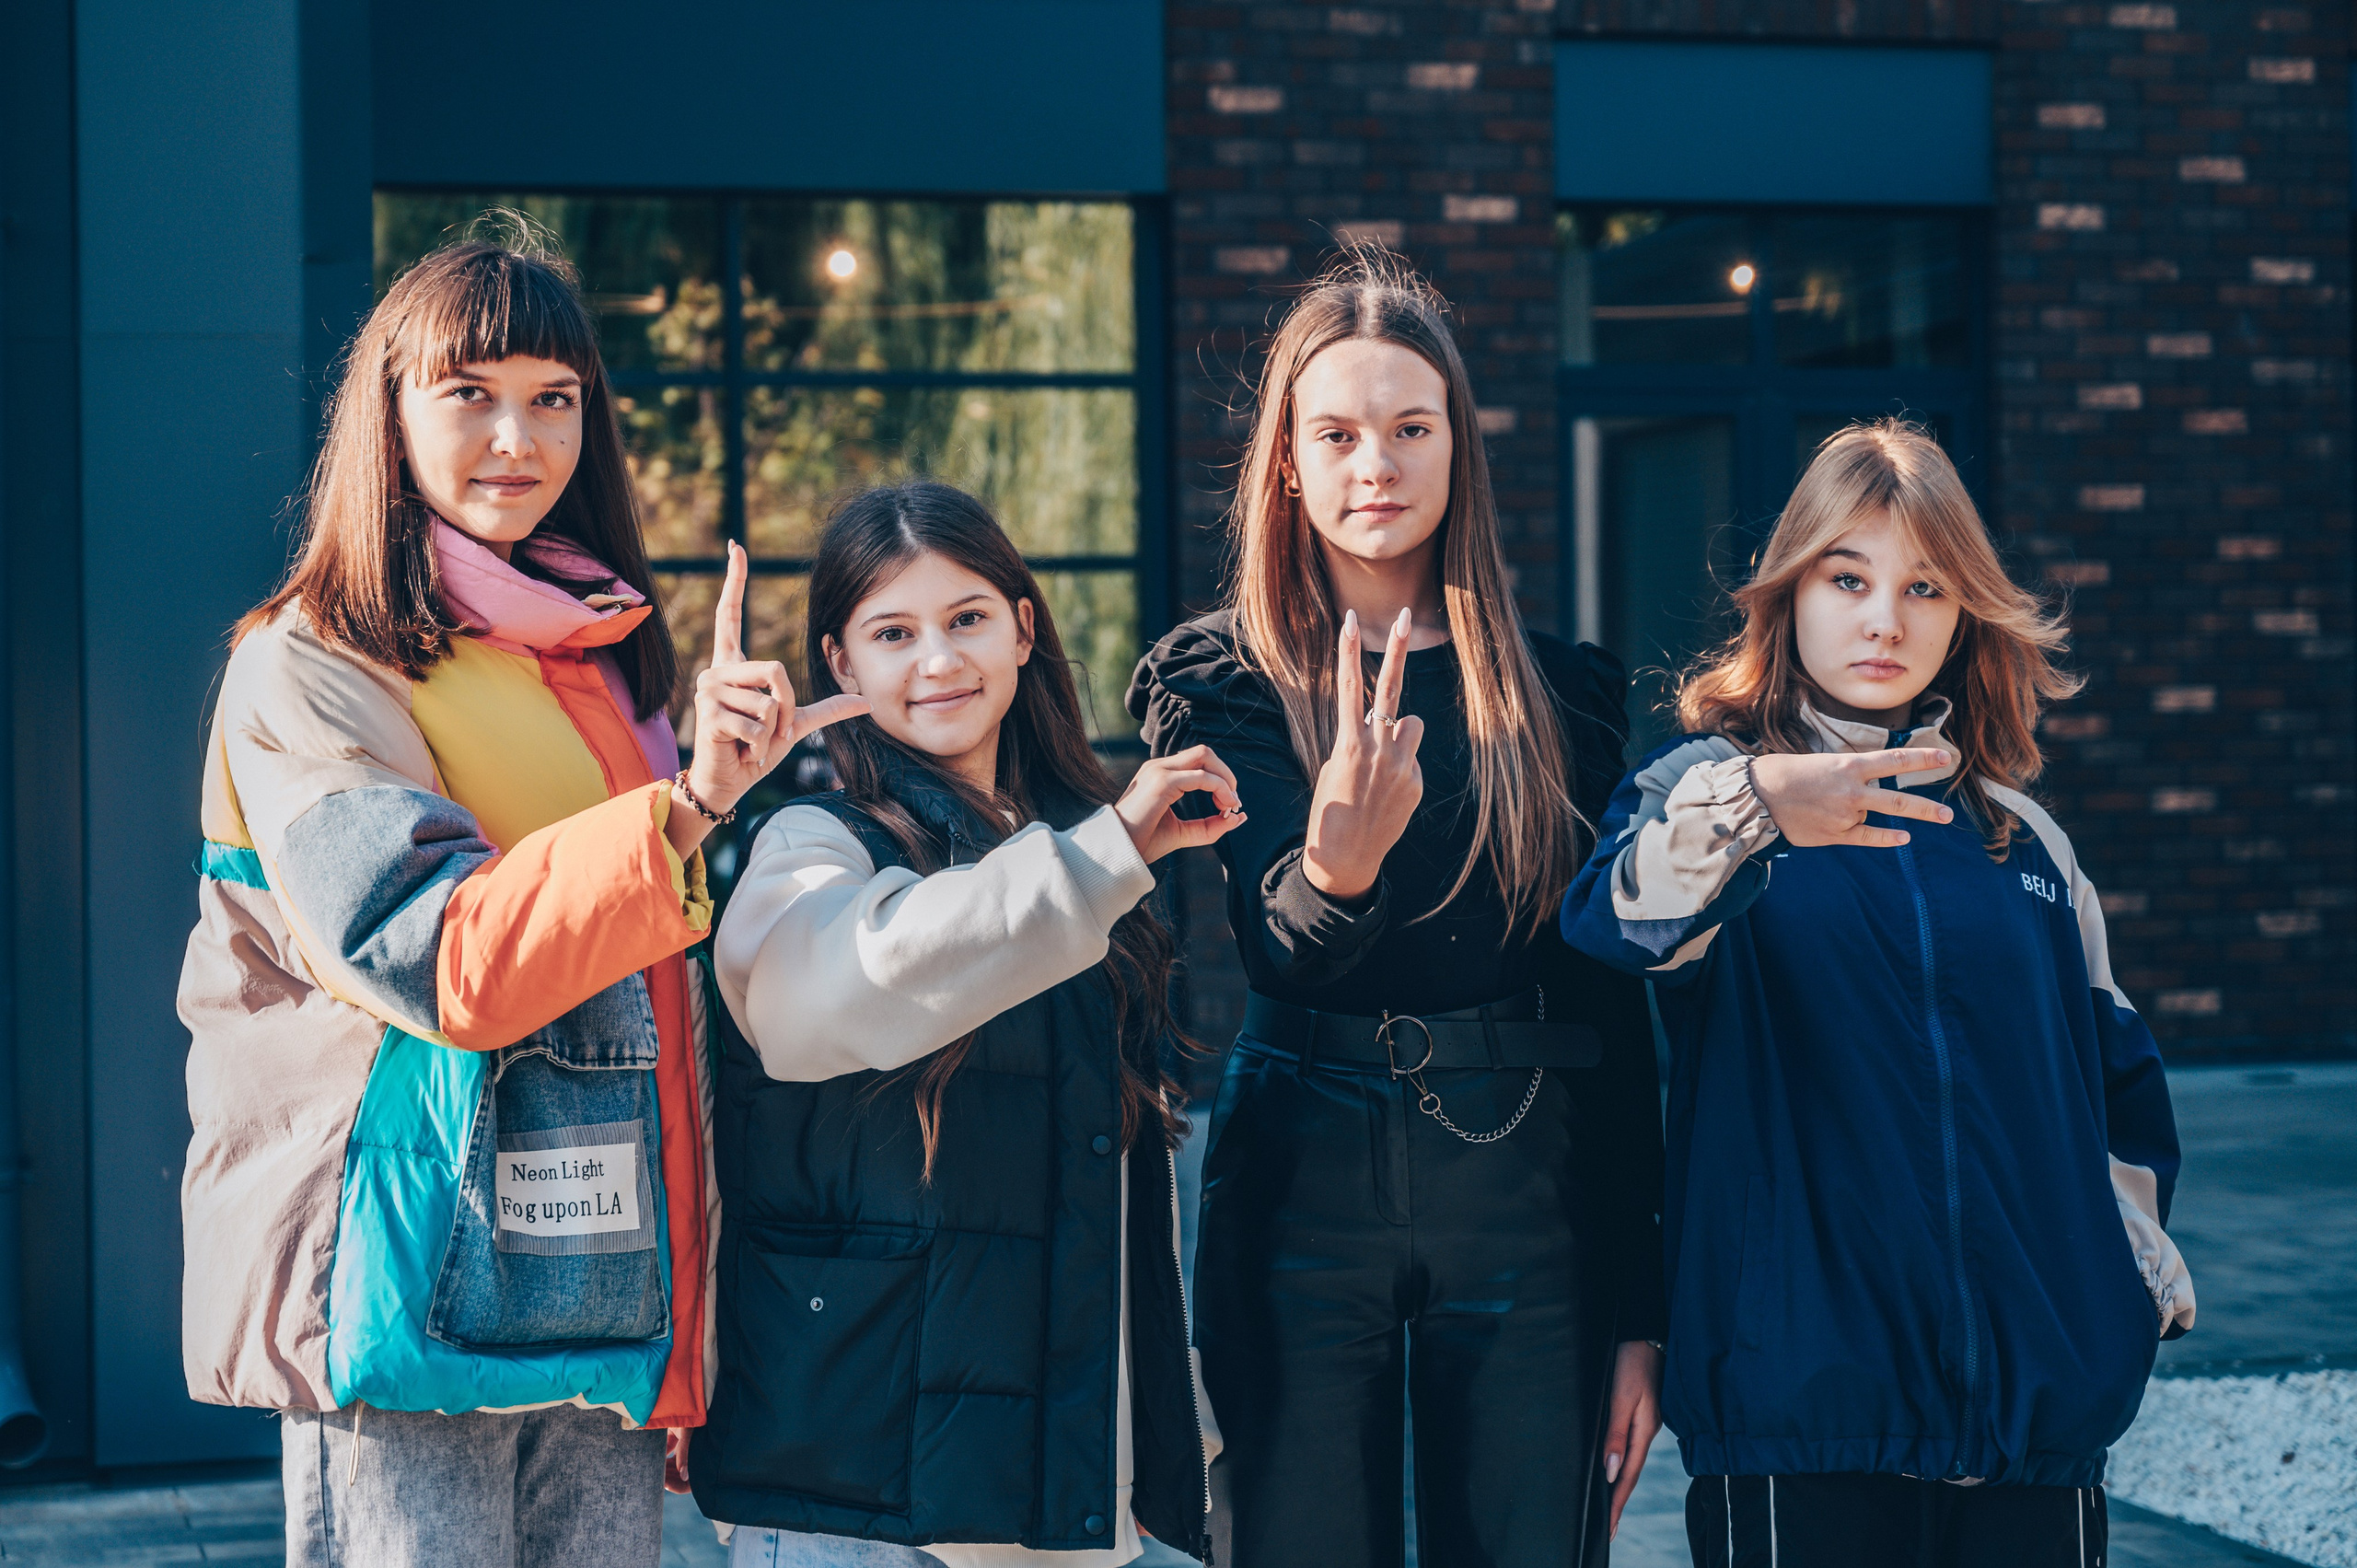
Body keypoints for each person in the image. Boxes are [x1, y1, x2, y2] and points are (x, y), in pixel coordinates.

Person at [178, 237, 865, 1567]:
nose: (520, 436)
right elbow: (437, 954)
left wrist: (692, 1317)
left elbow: (658, 1003)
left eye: (555, 396)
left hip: (601, 1274)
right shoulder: (311, 664)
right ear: (390, 413)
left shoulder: (597, 654)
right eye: (471, 393)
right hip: (404, 1273)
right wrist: (686, 808)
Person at [1562, 420, 2197, 1568]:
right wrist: (1762, 805)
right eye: (1846, 578)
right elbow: (1616, 919)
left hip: (2029, 1440)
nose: (1884, 621)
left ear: (1964, 616)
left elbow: (2114, 1088)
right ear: (1788, 594)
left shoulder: (2023, 840)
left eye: (1925, 587)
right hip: (1797, 1422)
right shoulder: (1707, 787)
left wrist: (2115, 1289)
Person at [1125, 247, 1667, 1567]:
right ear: (1287, 463)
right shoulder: (1223, 678)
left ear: (1457, 446)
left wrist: (1641, 1310)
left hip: (1526, 1174)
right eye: (1339, 433)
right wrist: (1338, 865)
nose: (1377, 463)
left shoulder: (1565, 695)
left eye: (1411, 427)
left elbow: (1609, 1003)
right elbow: (1279, 947)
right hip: (1299, 1172)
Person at [698, 481, 1233, 1566]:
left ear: (1023, 628)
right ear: (841, 663)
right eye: (893, 632)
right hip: (856, 1491)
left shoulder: (1069, 847)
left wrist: (1149, 1432)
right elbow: (834, 988)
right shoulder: (813, 840)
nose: (938, 659)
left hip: (1041, 1476)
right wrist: (1103, 856)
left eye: (968, 617)